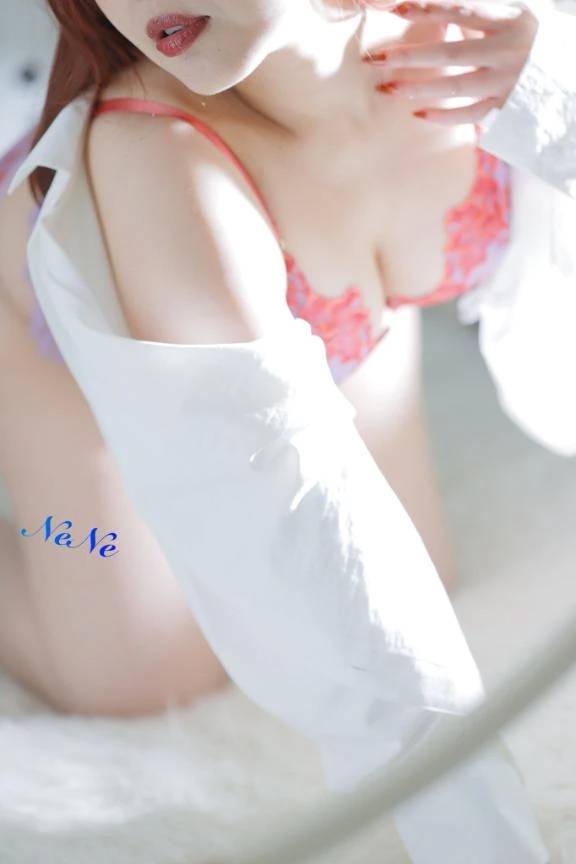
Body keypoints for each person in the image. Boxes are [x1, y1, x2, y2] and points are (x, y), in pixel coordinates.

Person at [1, 0, 575, 857]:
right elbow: (309, 554)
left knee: (423, 580)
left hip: (330, 306)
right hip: (60, 347)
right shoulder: (157, 161)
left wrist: (555, 103)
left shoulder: (499, 34)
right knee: (135, 677)